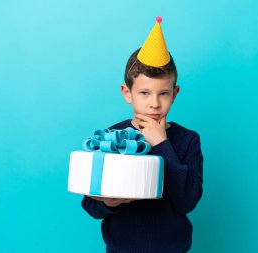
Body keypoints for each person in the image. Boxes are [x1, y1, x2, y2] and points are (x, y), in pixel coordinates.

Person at [81, 17, 204, 253]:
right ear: (128, 93)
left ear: (174, 93)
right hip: (120, 249)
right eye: (145, 93)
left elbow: (187, 201)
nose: (154, 104)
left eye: (163, 93)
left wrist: (161, 144)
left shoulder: (188, 140)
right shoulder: (111, 136)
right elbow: (89, 204)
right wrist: (108, 203)